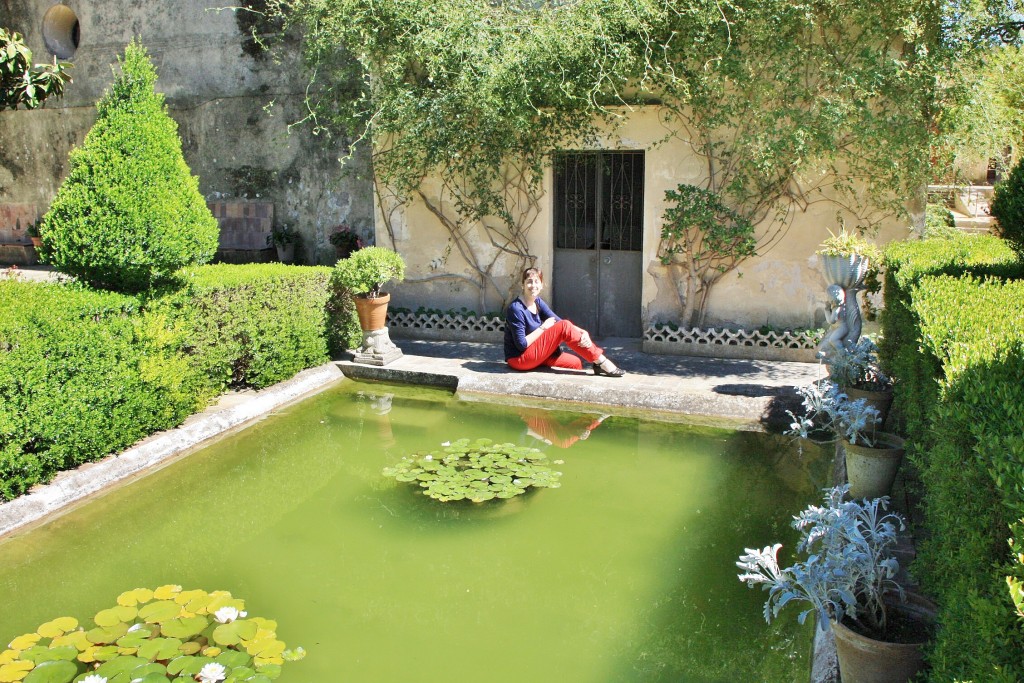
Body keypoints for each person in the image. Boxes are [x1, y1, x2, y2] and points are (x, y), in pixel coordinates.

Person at [504, 267, 625, 376]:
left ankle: (596, 365)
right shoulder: (516, 309)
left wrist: (583, 332)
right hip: (519, 359)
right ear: (523, 285)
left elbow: (558, 321)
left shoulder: (537, 302)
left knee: (575, 363)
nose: (533, 285)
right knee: (564, 326)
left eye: (536, 282)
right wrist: (543, 328)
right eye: (529, 282)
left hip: (537, 354)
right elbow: (521, 344)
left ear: (541, 285)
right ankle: (602, 362)